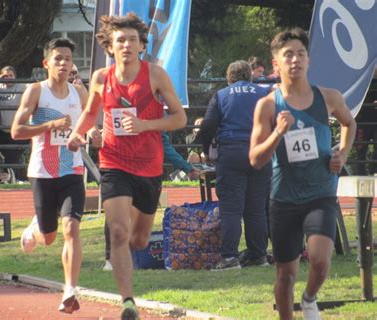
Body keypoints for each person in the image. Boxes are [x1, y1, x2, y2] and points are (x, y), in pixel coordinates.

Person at [67, 13, 186, 319]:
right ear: (110, 45)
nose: (128, 45)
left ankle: (133, 255)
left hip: (149, 166)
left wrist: (144, 124)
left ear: (141, 44)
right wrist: (79, 133)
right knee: (119, 233)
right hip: (114, 162)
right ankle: (128, 302)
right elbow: (91, 113)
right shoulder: (100, 79)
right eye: (121, 40)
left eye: (133, 40)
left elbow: (179, 118)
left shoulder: (155, 75)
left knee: (139, 239)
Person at [249, 28, 356, 319]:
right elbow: (256, 159)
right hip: (284, 199)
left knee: (321, 260)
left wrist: (342, 154)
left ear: (308, 60)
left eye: (300, 54)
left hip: (320, 192)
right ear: (276, 64)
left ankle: (309, 298)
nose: (295, 59)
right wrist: (278, 133)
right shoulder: (268, 106)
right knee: (285, 277)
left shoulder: (329, 97)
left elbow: (349, 123)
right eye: (288, 55)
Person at [11, 38, 100, 314]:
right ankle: (37, 227)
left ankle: (70, 290)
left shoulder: (79, 95)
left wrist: (92, 135)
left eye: (68, 59)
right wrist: (50, 124)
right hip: (42, 172)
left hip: (72, 170)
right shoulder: (36, 92)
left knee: (72, 229)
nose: (63, 64)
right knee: (49, 237)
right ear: (46, 63)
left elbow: (90, 127)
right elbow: (16, 131)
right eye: (58, 58)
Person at [201, 60, 271, 270]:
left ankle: (230, 257)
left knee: (231, 208)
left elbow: (208, 125)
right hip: (261, 151)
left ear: (229, 77)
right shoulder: (264, 93)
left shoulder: (222, 95)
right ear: (250, 75)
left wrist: (206, 150)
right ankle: (259, 255)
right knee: (257, 208)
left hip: (232, 151)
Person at [103, 131, 201, 271]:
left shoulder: (158, 113)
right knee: (116, 213)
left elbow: (164, 145)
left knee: (138, 221)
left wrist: (186, 167)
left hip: (146, 172)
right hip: (120, 169)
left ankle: (129, 256)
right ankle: (111, 258)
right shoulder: (117, 109)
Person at [0, 66, 29, 181]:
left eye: (11, 75)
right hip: (3, 130)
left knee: (13, 158)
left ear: (15, 76)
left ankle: (17, 179)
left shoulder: (21, 86)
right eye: (5, 76)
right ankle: (12, 179)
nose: (8, 78)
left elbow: (33, 86)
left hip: (19, 130)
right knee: (8, 158)